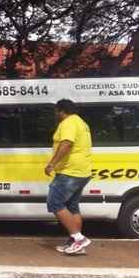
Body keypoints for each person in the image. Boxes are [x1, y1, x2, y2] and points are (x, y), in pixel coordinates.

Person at [45, 99, 93, 255]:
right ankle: (76, 244)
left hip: (70, 171)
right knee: (72, 206)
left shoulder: (69, 122)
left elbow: (66, 143)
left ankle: (79, 238)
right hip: (81, 171)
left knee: (54, 202)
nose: (55, 115)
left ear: (61, 111)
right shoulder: (81, 122)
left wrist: (52, 164)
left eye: (56, 112)